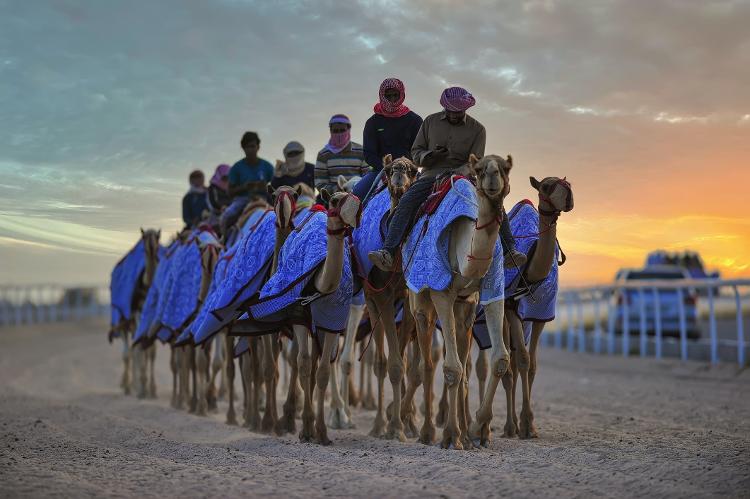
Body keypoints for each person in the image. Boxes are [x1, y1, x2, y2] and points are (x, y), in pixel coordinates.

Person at [368, 86, 525, 271]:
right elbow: (416, 154)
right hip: (431, 175)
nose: (454, 115)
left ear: (465, 109)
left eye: (458, 112)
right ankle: (388, 251)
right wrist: (431, 155)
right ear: (445, 107)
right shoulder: (430, 122)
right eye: (450, 111)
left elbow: (475, 162)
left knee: (494, 200)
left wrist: (457, 172)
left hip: (463, 177)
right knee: (407, 202)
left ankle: (510, 250)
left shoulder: (478, 130)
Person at [354, 78, 423, 201]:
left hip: (409, 170)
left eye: (395, 95)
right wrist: (387, 168)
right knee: (357, 193)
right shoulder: (373, 122)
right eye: (388, 95)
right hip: (381, 170)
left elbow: (419, 149)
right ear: (382, 95)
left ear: (402, 95)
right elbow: (369, 153)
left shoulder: (415, 120)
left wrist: (406, 166)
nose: (392, 99)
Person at [220, 131, 274, 233]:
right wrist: (244, 187)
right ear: (243, 149)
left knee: (285, 213)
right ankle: (224, 241)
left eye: (253, 146)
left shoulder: (267, 167)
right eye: (247, 147)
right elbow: (229, 192)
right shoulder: (236, 168)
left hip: (264, 198)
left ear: (258, 147)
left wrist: (264, 188)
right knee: (226, 216)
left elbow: (276, 186)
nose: (250, 150)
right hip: (243, 200)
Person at [314, 114, 369, 197]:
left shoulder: (361, 151)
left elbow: (367, 176)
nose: (339, 133)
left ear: (348, 130)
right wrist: (338, 190)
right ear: (331, 131)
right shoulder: (323, 154)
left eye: (342, 130)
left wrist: (355, 187)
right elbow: (320, 182)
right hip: (334, 198)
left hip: (358, 194)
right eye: (335, 131)